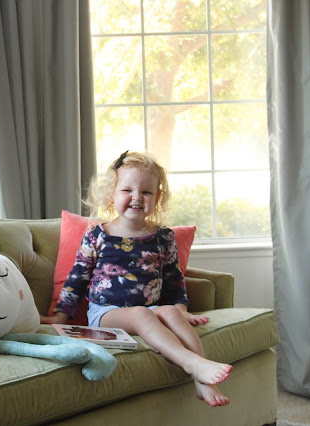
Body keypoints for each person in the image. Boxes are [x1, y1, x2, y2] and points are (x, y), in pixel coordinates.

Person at [42, 150, 232, 407]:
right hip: (105, 313)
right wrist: (60, 316)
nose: (137, 197)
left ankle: (203, 382)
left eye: (146, 192)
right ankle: (192, 364)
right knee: (142, 315)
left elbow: (174, 279)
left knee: (169, 312)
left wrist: (180, 309)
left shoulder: (163, 237)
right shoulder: (97, 236)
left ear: (157, 198)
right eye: (127, 190)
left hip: (149, 308)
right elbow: (77, 279)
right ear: (111, 194)